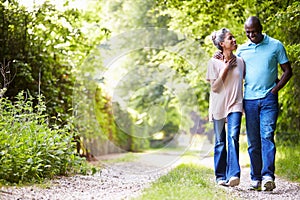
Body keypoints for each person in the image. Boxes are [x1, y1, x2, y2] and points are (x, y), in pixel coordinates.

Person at [236, 16, 293, 191]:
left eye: (253, 31)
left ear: (261, 28)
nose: (251, 35)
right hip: (249, 100)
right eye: (247, 32)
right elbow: (232, 71)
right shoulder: (242, 50)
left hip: (269, 99)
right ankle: (255, 178)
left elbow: (287, 71)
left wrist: (275, 90)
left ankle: (268, 176)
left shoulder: (275, 45)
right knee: (253, 141)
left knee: (267, 135)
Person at [206, 28, 245, 187]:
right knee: (220, 141)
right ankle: (220, 176)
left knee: (233, 137)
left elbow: (248, 80)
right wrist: (226, 68)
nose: (234, 40)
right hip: (219, 106)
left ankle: (233, 175)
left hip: (235, 104)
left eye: (233, 37)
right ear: (222, 44)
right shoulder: (213, 62)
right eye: (230, 38)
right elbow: (215, 87)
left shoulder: (241, 62)